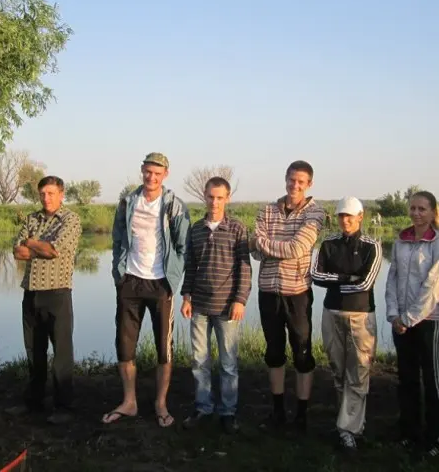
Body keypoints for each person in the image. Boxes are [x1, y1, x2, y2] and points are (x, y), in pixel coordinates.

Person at [102, 153, 190, 428]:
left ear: (165, 174)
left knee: (164, 348)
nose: (151, 177)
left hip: (160, 283)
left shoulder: (174, 205)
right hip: (130, 281)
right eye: (148, 172)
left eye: (157, 173)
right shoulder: (128, 201)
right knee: (125, 345)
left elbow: (183, 246)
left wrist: (173, 280)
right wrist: (119, 273)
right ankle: (129, 402)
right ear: (142, 171)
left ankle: (160, 404)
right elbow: (117, 238)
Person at [251, 160, 325, 432]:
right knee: (274, 353)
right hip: (268, 292)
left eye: (301, 181)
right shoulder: (267, 210)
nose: (295, 185)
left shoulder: (316, 212)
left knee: (302, 353)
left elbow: (297, 248)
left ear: (309, 184)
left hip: (298, 293)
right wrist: (266, 245)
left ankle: (302, 415)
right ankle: (278, 412)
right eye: (292, 179)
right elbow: (254, 251)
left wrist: (265, 244)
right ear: (285, 179)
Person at [310, 197, 383, 452]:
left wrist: (335, 281)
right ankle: (349, 423)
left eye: (350, 216)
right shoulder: (328, 244)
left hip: (360, 316)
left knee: (359, 372)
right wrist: (345, 278)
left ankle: (348, 429)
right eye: (342, 215)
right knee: (338, 370)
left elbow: (366, 283)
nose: (346, 220)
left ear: (361, 216)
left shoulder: (372, 246)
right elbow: (316, 275)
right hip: (332, 312)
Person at [181, 177, 252, 434]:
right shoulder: (196, 229)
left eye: (219, 197)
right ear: (205, 196)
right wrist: (186, 296)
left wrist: (240, 300)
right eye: (211, 197)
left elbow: (245, 268)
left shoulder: (237, 228)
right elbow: (190, 265)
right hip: (199, 305)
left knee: (228, 363)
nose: (214, 202)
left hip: (227, 307)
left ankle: (228, 412)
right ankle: (203, 407)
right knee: (199, 361)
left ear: (227, 198)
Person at [9, 176, 82, 425]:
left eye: (51, 193)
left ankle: (64, 405)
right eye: (42, 194)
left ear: (61, 194)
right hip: (31, 292)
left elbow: (54, 251)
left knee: (61, 351)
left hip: (57, 292)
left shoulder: (70, 219)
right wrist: (38, 246)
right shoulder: (32, 218)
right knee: (34, 350)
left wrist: (31, 242)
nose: (46, 198)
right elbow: (17, 251)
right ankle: (34, 401)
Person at [384, 191, 439, 457]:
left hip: (428, 321)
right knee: (407, 379)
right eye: (412, 208)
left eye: (422, 209)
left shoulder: (438, 242)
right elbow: (392, 278)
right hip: (400, 322)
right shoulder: (401, 240)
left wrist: (409, 318)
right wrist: (393, 314)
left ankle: (437, 438)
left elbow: (433, 286)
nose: (416, 213)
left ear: (433, 212)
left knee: (433, 380)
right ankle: (409, 433)